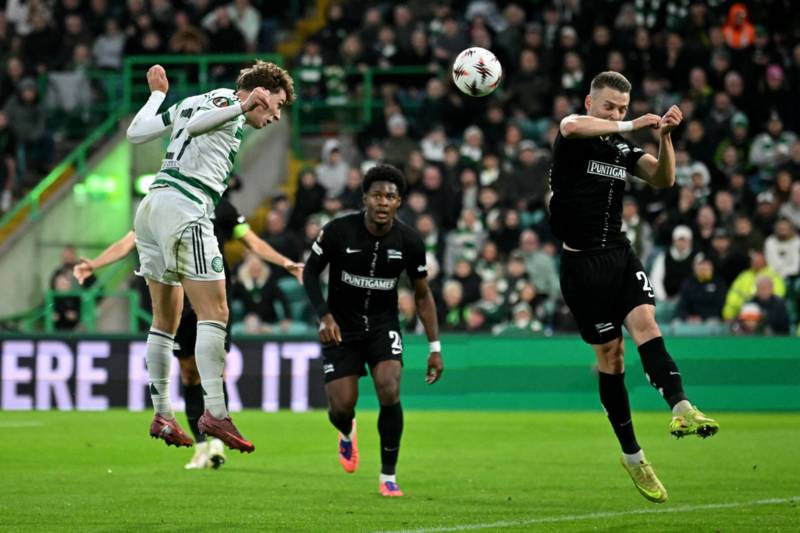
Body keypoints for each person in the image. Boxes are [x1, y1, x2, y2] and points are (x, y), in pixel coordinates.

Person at [548, 71, 719, 504]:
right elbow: (569, 124)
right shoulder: (573, 137)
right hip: (582, 266)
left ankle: (681, 407)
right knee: (612, 357)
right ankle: (633, 456)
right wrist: (632, 122)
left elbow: (663, 179)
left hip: (620, 254)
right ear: (590, 102)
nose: (616, 114)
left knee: (647, 324)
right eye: (609, 106)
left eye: (623, 108)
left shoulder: (622, 149)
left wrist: (664, 138)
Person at [124, 61, 294, 451]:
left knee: (165, 321)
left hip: (152, 207)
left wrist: (156, 96)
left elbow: (136, 133)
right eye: (278, 104)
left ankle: (163, 414)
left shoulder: (189, 102)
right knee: (215, 312)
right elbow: (198, 126)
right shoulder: (224, 102)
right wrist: (242, 106)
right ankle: (215, 412)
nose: (276, 115)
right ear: (261, 93)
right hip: (186, 206)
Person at [73, 196, 303, 468]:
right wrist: (95, 264)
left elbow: (252, 241)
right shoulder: (166, 203)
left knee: (216, 368)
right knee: (189, 372)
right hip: (180, 298)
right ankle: (201, 446)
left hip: (213, 297)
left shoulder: (222, 207)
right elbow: (131, 239)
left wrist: (285, 263)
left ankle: (217, 441)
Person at [302, 164, 444, 497]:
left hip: (383, 325)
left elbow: (423, 295)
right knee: (342, 407)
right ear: (365, 198)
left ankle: (388, 475)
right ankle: (346, 431)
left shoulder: (410, 241)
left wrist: (435, 347)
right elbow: (309, 273)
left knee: (389, 389)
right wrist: (324, 316)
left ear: (399, 202)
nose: (383, 202)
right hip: (340, 328)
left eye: (390, 196)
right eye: (377, 195)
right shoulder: (337, 231)